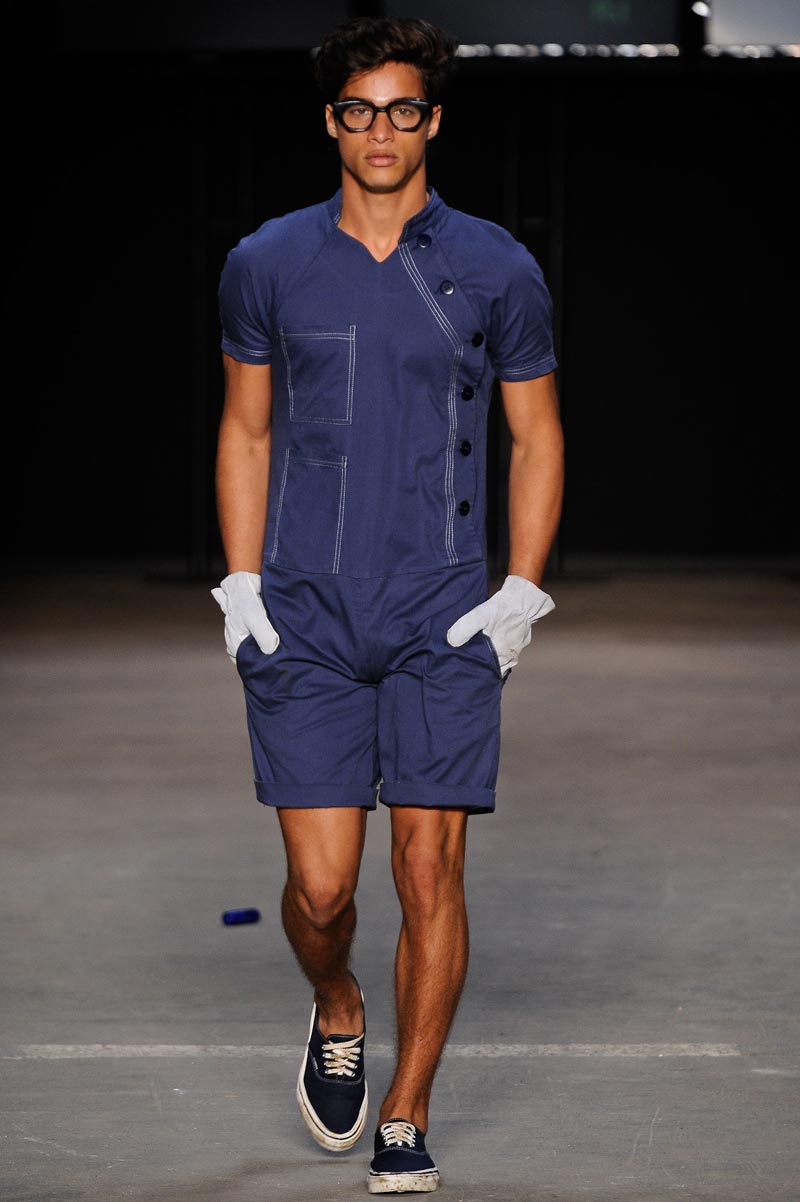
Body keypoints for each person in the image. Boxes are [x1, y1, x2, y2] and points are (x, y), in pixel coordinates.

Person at [211, 15, 564, 1194]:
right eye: (359, 110)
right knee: (320, 892)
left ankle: (405, 1112)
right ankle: (336, 1000)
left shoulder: (495, 266)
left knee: (428, 870)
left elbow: (535, 432)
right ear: (331, 122)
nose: (380, 131)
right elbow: (245, 428)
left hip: (439, 612)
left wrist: (518, 590)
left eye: (402, 110)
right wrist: (242, 581)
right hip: (304, 614)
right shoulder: (267, 261)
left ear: (432, 121)